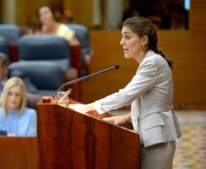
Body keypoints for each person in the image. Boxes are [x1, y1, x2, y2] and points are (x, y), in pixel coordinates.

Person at [70, 17, 181, 169]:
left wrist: (88, 107)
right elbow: (151, 104)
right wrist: (122, 118)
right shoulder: (150, 61)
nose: (121, 42)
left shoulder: (152, 63)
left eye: (127, 37)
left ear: (143, 40)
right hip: (152, 137)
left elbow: (125, 96)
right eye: (122, 36)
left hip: (157, 140)